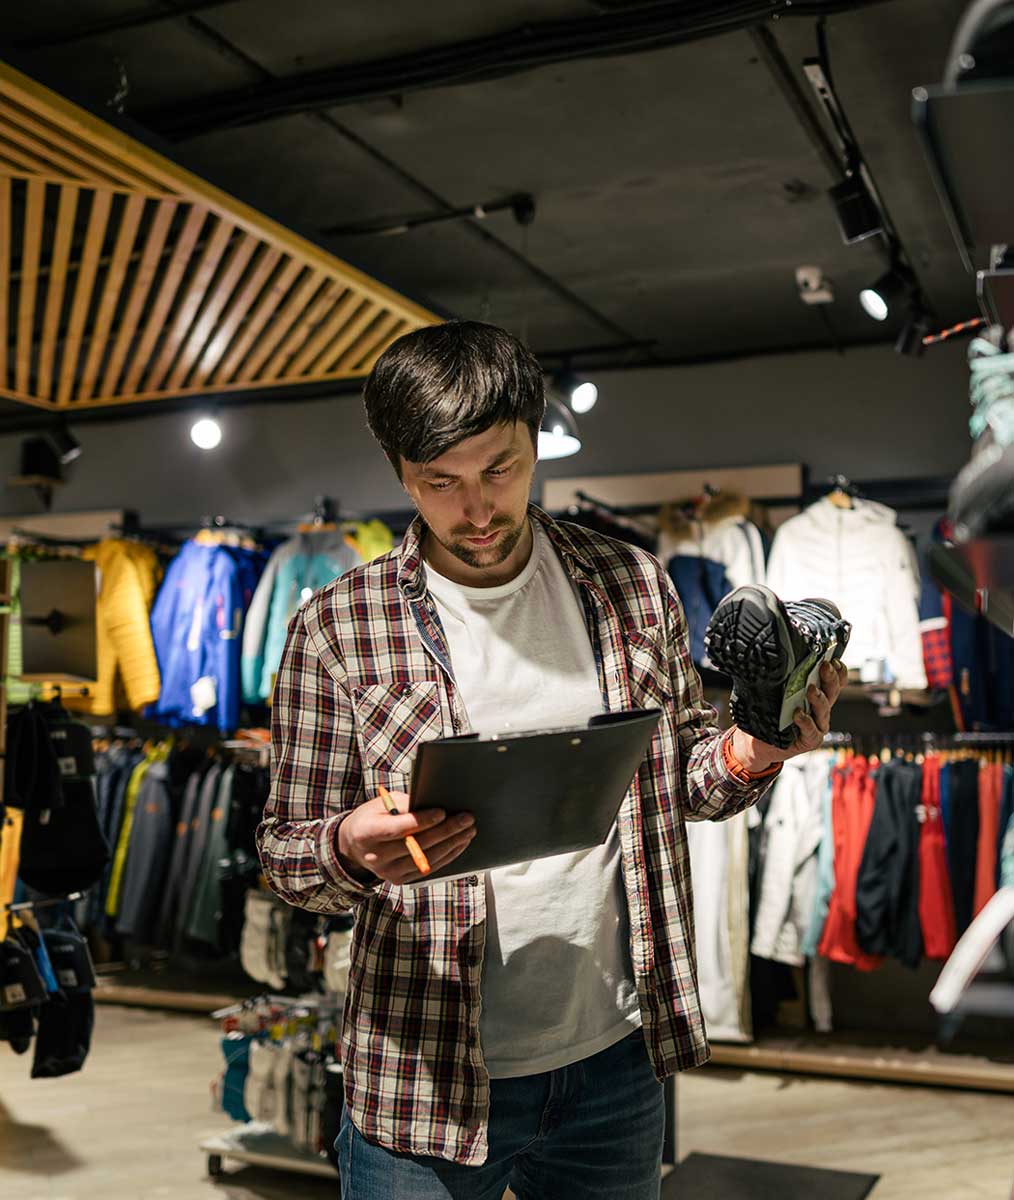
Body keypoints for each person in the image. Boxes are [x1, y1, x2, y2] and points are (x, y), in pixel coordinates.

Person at [257, 321, 846, 1199]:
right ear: (399, 474)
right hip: (423, 1074)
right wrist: (346, 847)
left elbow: (673, 774)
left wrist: (750, 751)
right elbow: (283, 853)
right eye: (439, 484)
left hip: (613, 1059)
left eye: (500, 469)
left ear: (536, 439)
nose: (478, 509)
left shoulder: (633, 584)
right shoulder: (337, 627)